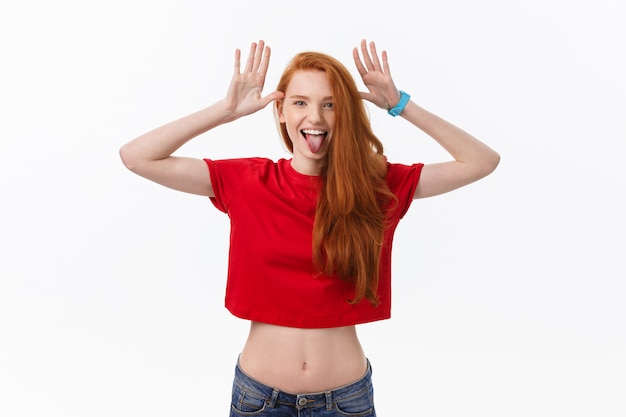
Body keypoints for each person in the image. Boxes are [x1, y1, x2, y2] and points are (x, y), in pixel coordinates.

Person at [119, 39, 499, 416]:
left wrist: (400, 105)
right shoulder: (248, 181)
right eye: (301, 102)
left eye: (329, 105)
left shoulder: (375, 187)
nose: (315, 118)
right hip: (258, 400)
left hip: (345, 402)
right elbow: (136, 157)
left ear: (344, 115)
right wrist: (226, 111)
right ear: (281, 111)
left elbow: (481, 161)